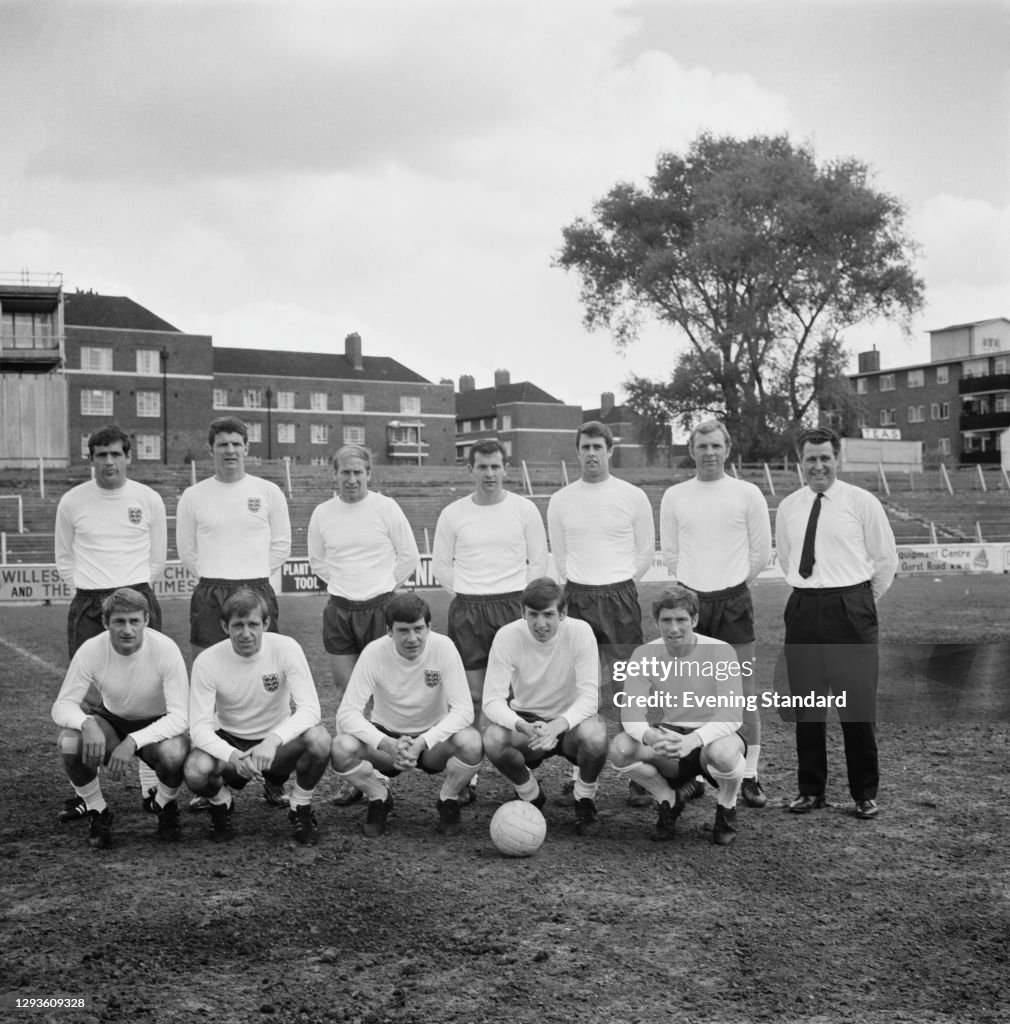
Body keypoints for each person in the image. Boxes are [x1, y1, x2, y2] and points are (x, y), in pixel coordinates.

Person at [775, 426, 898, 820]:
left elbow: (885, 562)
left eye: (825, 457)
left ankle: (864, 793)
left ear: (837, 459)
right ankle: (811, 790)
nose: (818, 465)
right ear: (800, 462)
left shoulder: (862, 502)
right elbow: (786, 559)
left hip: (851, 609)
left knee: (857, 707)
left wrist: (856, 602)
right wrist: (813, 599)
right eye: (810, 458)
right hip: (803, 609)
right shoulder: (789, 506)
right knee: (807, 706)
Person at [176, 416, 292, 809]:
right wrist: (218, 579)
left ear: (247, 448)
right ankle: (212, 773)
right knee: (206, 682)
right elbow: (188, 552)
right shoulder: (194, 496)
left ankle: (275, 777)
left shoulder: (267, 491)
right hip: (211, 590)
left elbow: (281, 545)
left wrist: (250, 580)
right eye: (222, 444)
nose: (230, 450)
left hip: (257, 586)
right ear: (211, 449)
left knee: (271, 680)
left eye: (236, 444)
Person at [54, 424, 168, 822]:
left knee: (151, 690)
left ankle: (150, 784)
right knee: (87, 697)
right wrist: (92, 592)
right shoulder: (72, 501)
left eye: (116, 454)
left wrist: (133, 592)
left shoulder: (147, 499)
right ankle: (89, 796)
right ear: (91, 459)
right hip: (90, 599)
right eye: (100, 455)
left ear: (128, 456)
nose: (108, 461)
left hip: (136, 595)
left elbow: (157, 557)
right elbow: (64, 558)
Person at [659, 419, 772, 808]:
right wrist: (694, 591)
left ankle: (751, 774)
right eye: (701, 445)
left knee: (743, 693)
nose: (709, 452)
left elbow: (761, 553)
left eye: (716, 445)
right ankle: (687, 776)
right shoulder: (675, 496)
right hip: (690, 604)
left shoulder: (747, 493)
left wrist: (732, 585)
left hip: (734, 601)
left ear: (728, 449)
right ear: (691, 450)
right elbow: (672, 553)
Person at [546, 421, 654, 806]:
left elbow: (644, 552)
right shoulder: (561, 500)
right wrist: (582, 585)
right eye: (585, 446)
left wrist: (619, 582)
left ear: (610, 450)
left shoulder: (632, 496)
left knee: (630, 687)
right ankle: (577, 771)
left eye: (598, 446)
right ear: (577, 452)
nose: (591, 452)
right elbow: (560, 555)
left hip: (620, 598)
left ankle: (640, 773)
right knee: (578, 687)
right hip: (577, 597)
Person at [307, 444, 419, 807]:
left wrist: (382, 587)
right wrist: (347, 587)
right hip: (340, 609)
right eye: (345, 472)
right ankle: (358, 775)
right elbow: (318, 562)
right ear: (334, 474)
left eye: (358, 472)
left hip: (381, 608)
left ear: (369, 474)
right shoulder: (323, 513)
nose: (352, 479)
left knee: (382, 693)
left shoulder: (386, 508)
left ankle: (385, 770)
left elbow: (409, 556)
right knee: (347, 694)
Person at [184, 589, 331, 845]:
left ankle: (300, 807)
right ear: (224, 626)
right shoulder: (207, 661)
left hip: (277, 746)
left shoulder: (286, 648)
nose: (246, 633)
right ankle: (222, 802)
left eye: (253, 624)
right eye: (237, 625)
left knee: (319, 739)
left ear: (266, 623)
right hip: (231, 743)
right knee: (195, 771)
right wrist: (231, 755)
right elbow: (198, 728)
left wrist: (273, 740)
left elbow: (310, 709)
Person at [330, 593, 482, 838]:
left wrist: (423, 741)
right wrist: (388, 744)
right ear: (389, 630)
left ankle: (448, 798)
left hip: (432, 742)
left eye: (419, 629)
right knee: (341, 748)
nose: (413, 638)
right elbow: (348, 713)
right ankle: (379, 796)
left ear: (429, 627)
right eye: (403, 631)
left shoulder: (443, 647)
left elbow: (464, 710)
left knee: (472, 741)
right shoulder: (374, 652)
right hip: (388, 742)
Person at [51, 588, 189, 849]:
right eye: (119, 622)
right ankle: (97, 810)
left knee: (175, 752)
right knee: (69, 742)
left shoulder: (165, 649)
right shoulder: (91, 649)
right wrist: (86, 723)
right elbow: (62, 706)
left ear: (146, 620)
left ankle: (164, 803)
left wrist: (133, 742)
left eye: (134, 621)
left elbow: (181, 717)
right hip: (111, 722)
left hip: (156, 727)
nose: (127, 629)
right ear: (105, 623)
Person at [609, 586, 747, 845]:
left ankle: (727, 807)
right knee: (620, 749)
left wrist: (693, 740)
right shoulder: (644, 655)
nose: (674, 628)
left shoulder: (721, 651)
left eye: (681, 620)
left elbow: (731, 714)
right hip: (672, 738)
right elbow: (631, 712)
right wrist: (650, 736)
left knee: (721, 753)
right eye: (666, 620)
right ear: (656, 622)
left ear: (694, 620)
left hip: (715, 738)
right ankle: (667, 800)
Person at [431, 438, 548, 732]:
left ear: (505, 469)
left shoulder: (524, 509)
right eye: (482, 467)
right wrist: (467, 592)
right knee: (469, 694)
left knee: (512, 693)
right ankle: (471, 762)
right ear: (470, 469)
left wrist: (524, 603)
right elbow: (442, 566)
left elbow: (538, 561)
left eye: (495, 466)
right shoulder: (453, 513)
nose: (489, 473)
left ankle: (512, 754)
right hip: (469, 609)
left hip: (512, 607)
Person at [481, 578, 608, 837]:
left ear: (563, 613)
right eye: (533, 615)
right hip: (529, 724)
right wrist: (523, 726)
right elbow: (491, 701)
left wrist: (557, 726)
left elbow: (590, 698)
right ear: (522, 613)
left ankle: (584, 799)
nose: (541, 624)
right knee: (493, 738)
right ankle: (530, 794)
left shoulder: (580, 632)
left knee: (596, 735)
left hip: (569, 722)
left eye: (549, 614)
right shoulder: (507, 636)